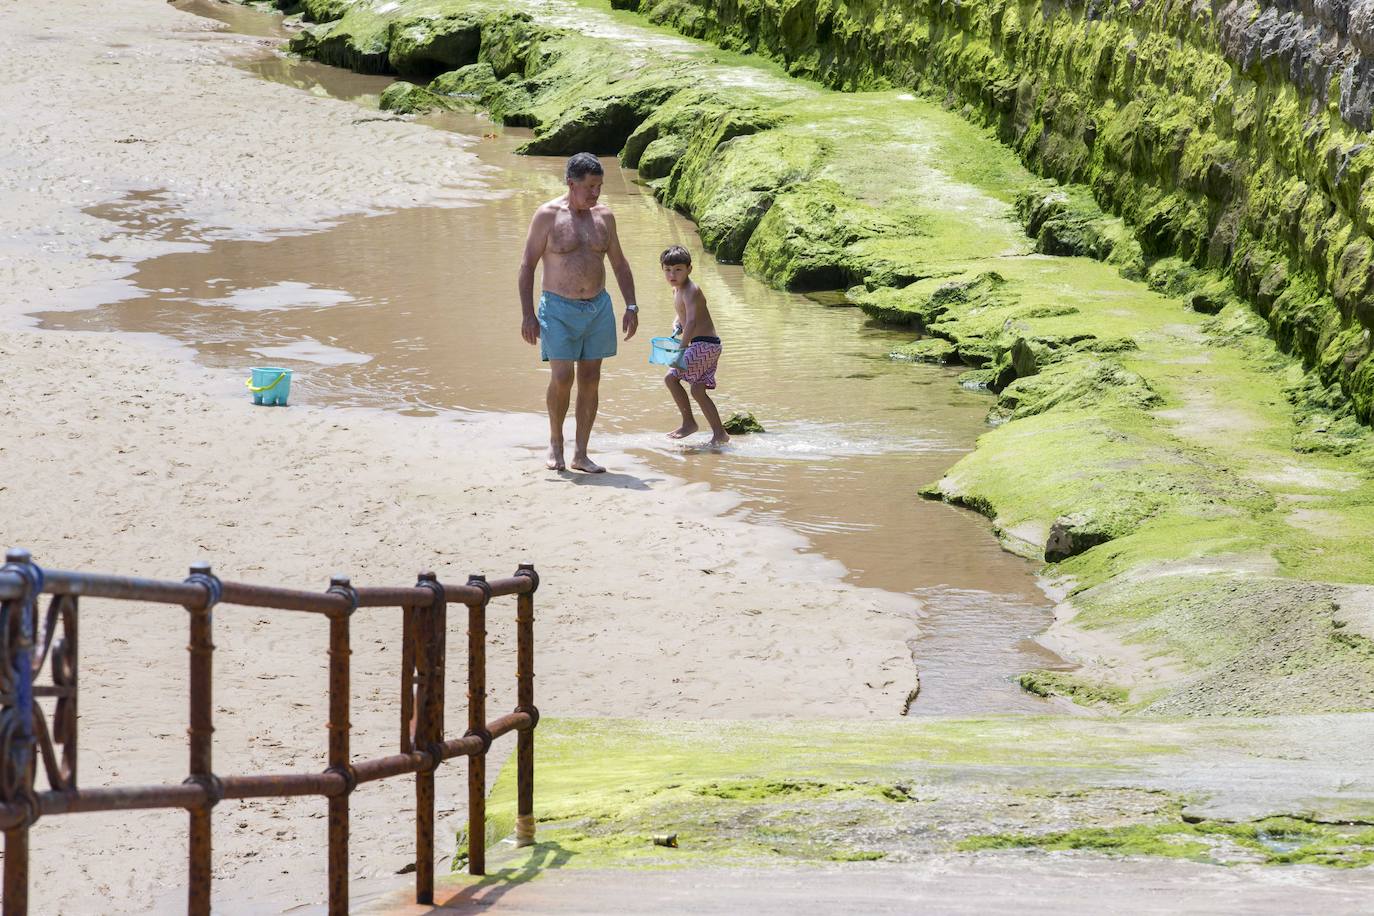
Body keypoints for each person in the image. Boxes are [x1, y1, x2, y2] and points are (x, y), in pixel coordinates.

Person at [518, 153, 639, 473]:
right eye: (589, 186)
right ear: (571, 183)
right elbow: (527, 265)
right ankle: (555, 443)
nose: (595, 193)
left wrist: (631, 305)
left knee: (591, 378)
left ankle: (581, 453)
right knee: (562, 377)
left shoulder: (605, 217)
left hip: (598, 307)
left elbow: (620, 264)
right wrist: (528, 315)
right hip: (558, 307)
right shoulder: (547, 216)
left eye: (599, 186)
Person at [660, 245, 729, 447]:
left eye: (678, 269)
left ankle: (689, 422)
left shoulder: (692, 290)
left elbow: (691, 322)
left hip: (704, 344)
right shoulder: (677, 289)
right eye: (668, 270)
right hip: (709, 345)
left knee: (671, 378)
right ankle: (720, 434)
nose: (672, 274)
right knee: (698, 391)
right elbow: (684, 316)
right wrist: (676, 323)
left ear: (689, 269)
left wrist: (681, 349)